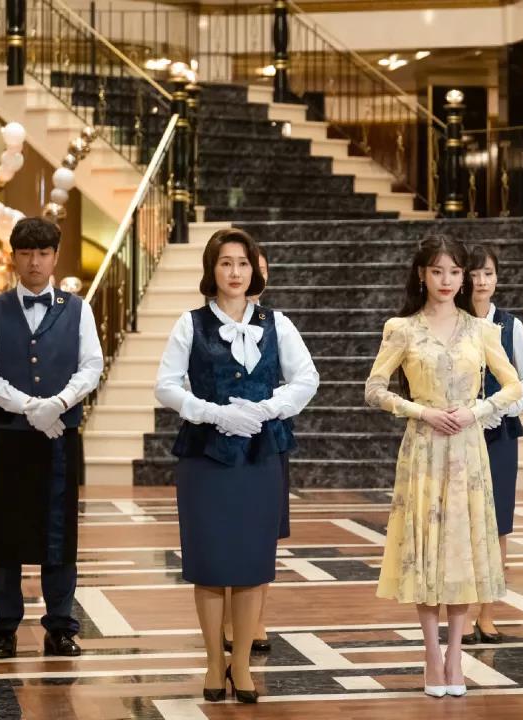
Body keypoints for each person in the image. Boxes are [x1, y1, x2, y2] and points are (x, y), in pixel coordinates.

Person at [155, 228, 318, 702]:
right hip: (204, 456)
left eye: (243, 263)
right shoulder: (190, 324)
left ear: (254, 271)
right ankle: (213, 661)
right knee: (209, 563)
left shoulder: (278, 323)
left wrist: (266, 408)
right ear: (212, 269)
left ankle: (241, 663)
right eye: (225, 263)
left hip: (261, 454)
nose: (235, 272)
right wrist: (212, 412)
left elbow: (307, 378)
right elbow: (166, 385)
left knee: (251, 563)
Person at [365, 235, 521, 698]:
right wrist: (421, 412)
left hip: (469, 451)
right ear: (422, 275)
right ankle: (432, 654)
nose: (447, 280)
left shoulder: (481, 330)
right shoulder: (402, 329)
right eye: (437, 271)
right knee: (427, 550)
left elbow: (513, 387)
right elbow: (374, 389)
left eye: (455, 272)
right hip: (424, 449)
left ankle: (456, 655)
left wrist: (475, 411)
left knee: (462, 549)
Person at [0, 217, 103, 659]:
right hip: (10, 437)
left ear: (55, 256)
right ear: (14, 257)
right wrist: (29, 406)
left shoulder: (79, 309)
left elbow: (92, 365)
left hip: (60, 436)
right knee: (5, 535)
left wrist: (59, 403)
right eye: (26, 253)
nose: (35, 262)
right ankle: (4, 628)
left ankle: (60, 627)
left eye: (43, 253)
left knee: (59, 536)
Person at [462, 244, 523, 644]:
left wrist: (502, 408)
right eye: (474, 273)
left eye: (488, 273)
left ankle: (487, 613)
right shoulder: (452, 321)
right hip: (458, 432)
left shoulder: (510, 326)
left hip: (500, 434)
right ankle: (459, 612)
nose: (481, 281)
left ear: (497, 278)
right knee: (460, 522)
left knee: (498, 525)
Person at [223, 251, 286, 655]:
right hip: (220, 439)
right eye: (233, 265)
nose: (244, 274)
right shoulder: (206, 323)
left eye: (256, 268)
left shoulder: (275, 324)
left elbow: (298, 379)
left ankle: (256, 618)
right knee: (226, 531)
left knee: (264, 533)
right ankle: (227, 619)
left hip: (268, 438)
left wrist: (268, 407)